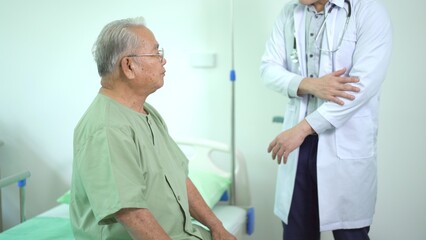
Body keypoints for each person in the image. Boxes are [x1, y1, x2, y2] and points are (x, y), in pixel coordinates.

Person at [69, 17, 236, 240]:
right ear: (128, 66)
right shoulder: (106, 128)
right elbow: (132, 214)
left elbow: (180, 180)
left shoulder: (146, 113)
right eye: (156, 54)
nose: (163, 61)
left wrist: (217, 228)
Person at [260, 0, 392, 239]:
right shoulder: (290, 13)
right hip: (299, 149)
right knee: (297, 232)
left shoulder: (368, 10)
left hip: (342, 142)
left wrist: (303, 128)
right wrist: (309, 84)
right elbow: (268, 69)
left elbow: (361, 87)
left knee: (350, 234)